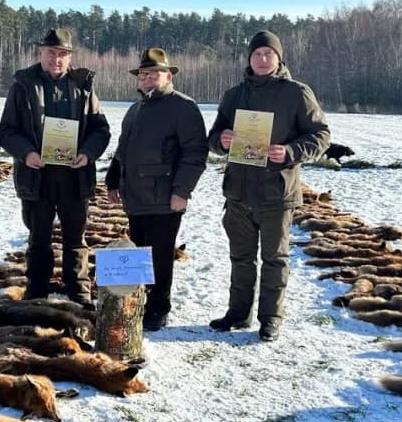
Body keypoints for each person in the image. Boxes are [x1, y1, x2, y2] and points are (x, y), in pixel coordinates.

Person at [206, 30, 330, 341]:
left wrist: (289, 152)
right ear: (249, 59)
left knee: (275, 259)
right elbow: (214, 136)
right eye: (257, 54)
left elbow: (321, 135)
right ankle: (238, 313)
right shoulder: (234, 96)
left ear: (278, 58)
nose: (262, 60)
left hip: (277, 192)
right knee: (241, 258)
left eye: (268, 54)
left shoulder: (297, 93)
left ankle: (271, 318)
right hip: (238, 192)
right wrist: (221, 141)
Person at [0, 28, 111, 309]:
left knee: (76, 240)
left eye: (62, 54)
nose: (56, 59)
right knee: (38, 239)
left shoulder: (83, 85)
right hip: (36, 176)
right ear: (40, 53)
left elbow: (100, 129)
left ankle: (79, 292)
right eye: (51, 53)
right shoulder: (23, 86)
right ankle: (37, 292)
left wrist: (87, 153)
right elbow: (7, 130)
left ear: (69, 57)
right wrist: (26, 153)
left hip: (74, 177)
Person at [105, 48, 208, 331]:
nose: (147, 79)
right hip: (136, 195)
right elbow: (123, 148)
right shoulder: (135, 109)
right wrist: (113, 178)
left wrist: (182, 191)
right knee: (139, 253)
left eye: (154, 74)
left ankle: (159, 307)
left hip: (165, 197)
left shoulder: (183, 107)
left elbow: (195, 153)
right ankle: (140, 301)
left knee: (160, 255)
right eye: (143, 74)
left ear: (168, 75)